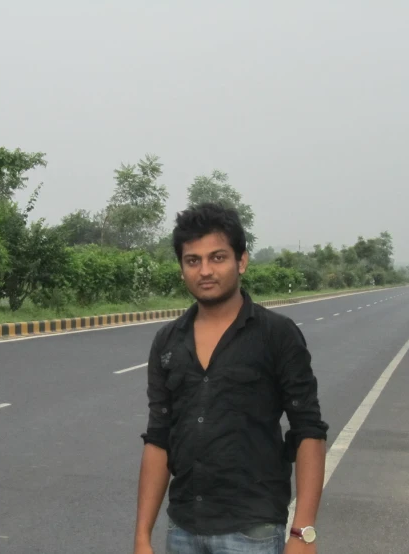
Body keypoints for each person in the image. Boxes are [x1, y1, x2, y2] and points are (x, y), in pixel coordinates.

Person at [133, 203, 329, 554]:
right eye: (193, 261)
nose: (205, 271)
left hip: (251, 531)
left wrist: (303, 533)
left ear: (241, 261)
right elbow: (158, 440)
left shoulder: (277, 335)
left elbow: (309, 431)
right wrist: (142, 536)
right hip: (183, 530)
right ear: (181, 268)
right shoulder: (167, 341)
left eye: (217, 258)